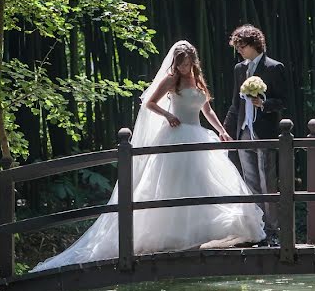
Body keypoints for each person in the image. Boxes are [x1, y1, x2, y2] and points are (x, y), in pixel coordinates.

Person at [31, 41, 265, 272]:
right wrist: (167, 115)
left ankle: (202, 233)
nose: (184, 67)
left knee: (202, 184)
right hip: (177, 135)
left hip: (198, 136)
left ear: (194, 61)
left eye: (188, 63)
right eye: (181, 63)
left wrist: (221, 130)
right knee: (173, 185)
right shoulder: (172, 79)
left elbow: (207, 109)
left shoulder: (198, 80)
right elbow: (150, 102)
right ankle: (170, 235)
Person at [223, 25, 289, 247]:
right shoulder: (239, 69)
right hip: (244, 131)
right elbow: (235, 104)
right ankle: (258, 229)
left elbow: (283, 100)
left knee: (267, 181)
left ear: (254, 44)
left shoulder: (273, 67)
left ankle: (274, 230)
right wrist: (226, 130)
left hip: (264, 132)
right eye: (237, 47)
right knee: (250, 182)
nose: (239, 50)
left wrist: (264, 104)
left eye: (241, 46)